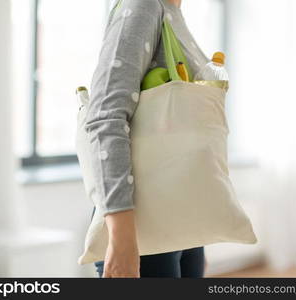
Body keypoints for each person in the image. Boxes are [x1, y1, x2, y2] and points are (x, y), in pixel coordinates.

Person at [85, 0, 209, 278]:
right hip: (141, 224)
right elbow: (106, 117)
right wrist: (122, 239)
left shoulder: (171, 11)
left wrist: (196, 240)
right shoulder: (143, 6)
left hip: (180, 214)